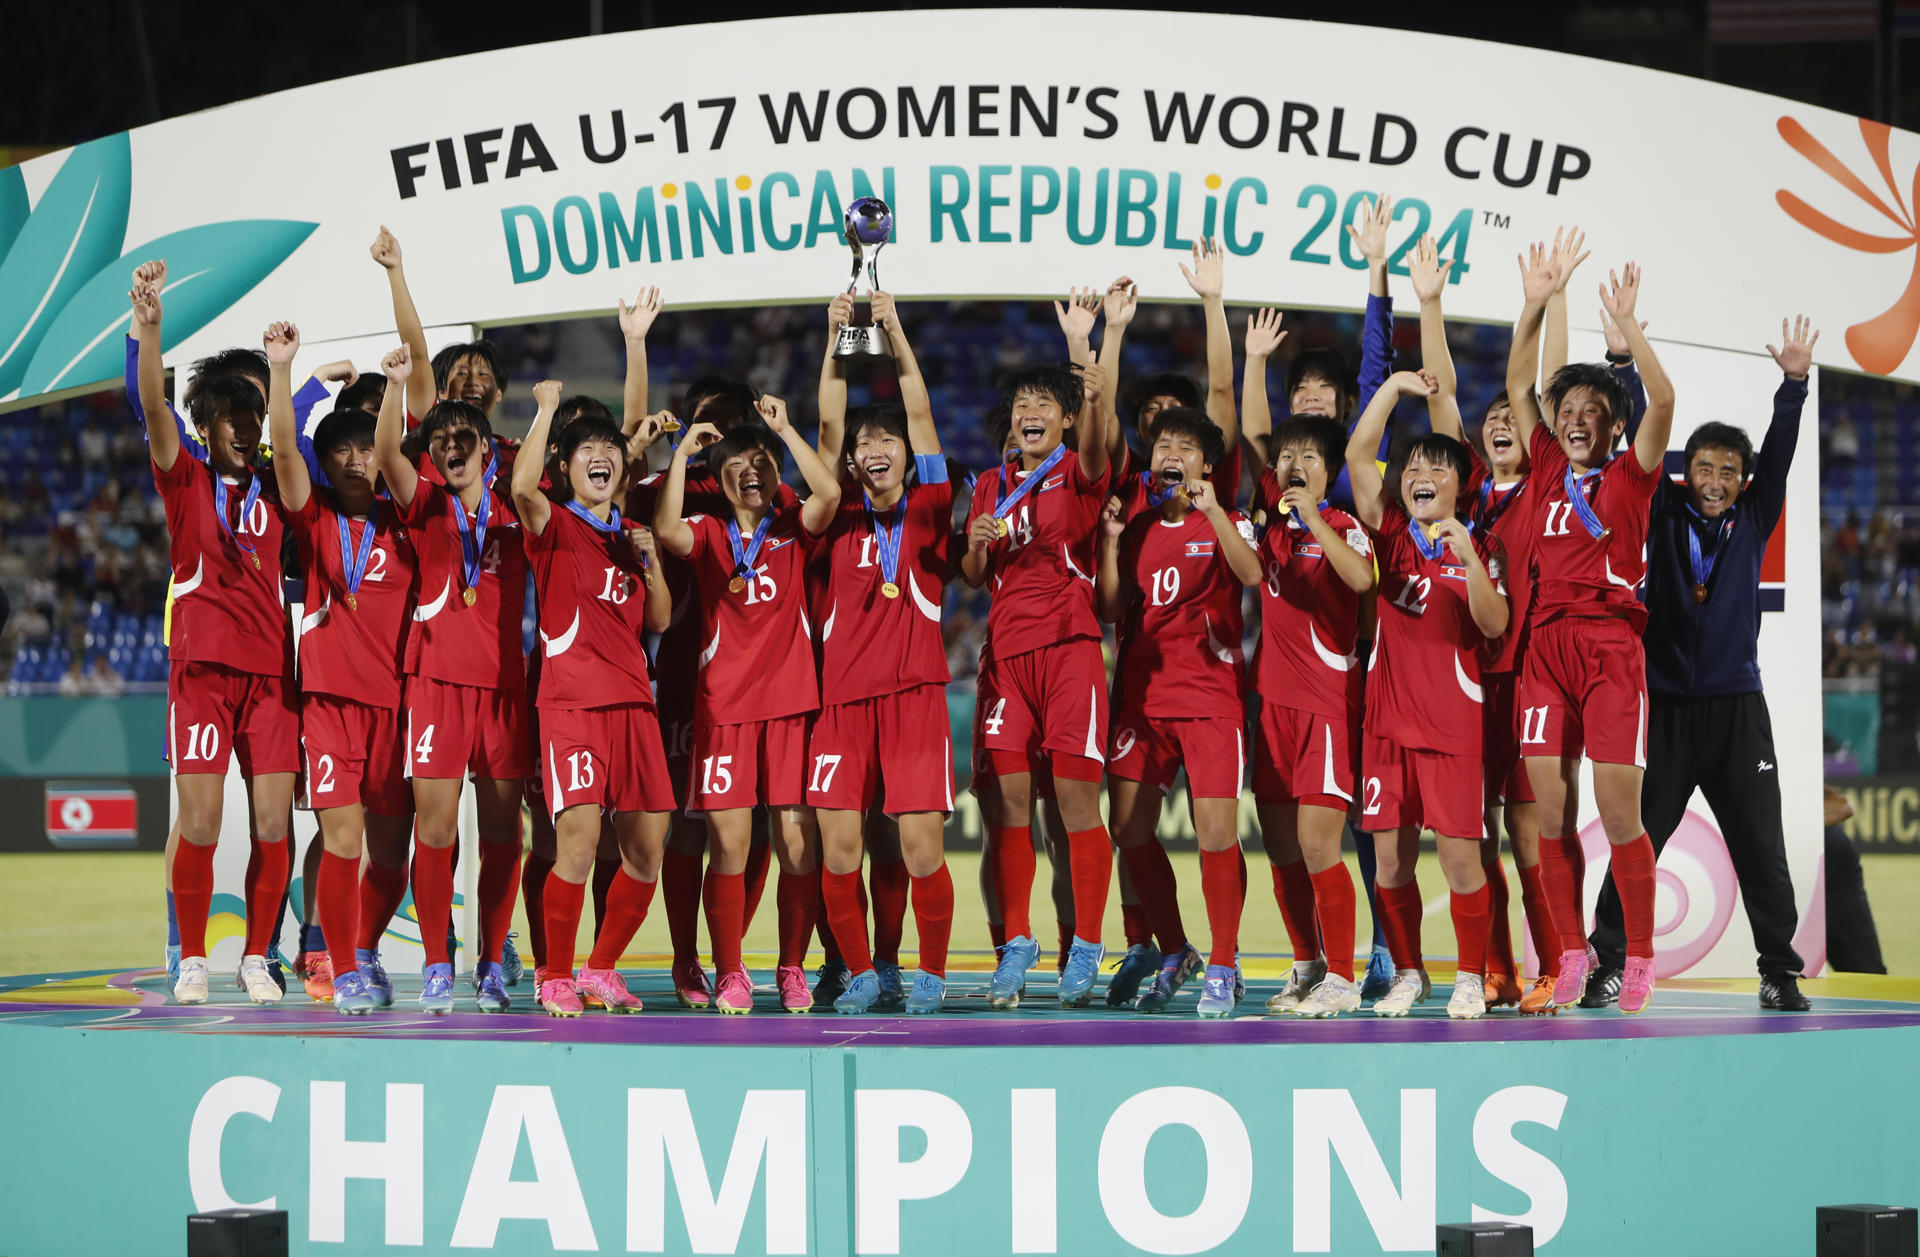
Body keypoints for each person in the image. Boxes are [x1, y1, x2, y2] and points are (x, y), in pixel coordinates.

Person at [1585, 316, 1819, 1011]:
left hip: (1737, 711)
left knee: (1761, 846)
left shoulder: (1755, 515)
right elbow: (1640, 440)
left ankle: (1779, 969)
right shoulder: (1661, 509)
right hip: (1665, 710)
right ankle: (1608, 961)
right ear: (1688, 474)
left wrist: (1795, 385)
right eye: (1705, 468)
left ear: (1744, 480)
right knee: (1637, 838)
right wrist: (1621, 360)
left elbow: (1779, 452)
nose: (1714, 479)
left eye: (1728, 471)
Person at [1505, 243, 1676, 1015]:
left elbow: (1664, 402)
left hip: (1610, 647)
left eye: (1589, 413)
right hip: (1545, 646)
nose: (1573, 420)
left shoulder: (1632, 476)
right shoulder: (1544, 466)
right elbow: (1520, 383)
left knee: (1618, 812)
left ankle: (1638, 955)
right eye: (1566, 411)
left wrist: (1630, 330)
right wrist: (1538, 301)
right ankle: (1570, 955)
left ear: (1612, 426)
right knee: (1548, 810)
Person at [131, 261, 297, 1007]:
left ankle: (258, 957)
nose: (245, 429)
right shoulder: (185, 478)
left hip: (272, 679)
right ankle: (191, 955)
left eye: (252, 417)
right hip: (201, 673)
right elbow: (153, 406)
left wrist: (284, 373)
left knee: (271, 822)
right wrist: (150, 328)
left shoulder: (276, 486)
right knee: (199, 819)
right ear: (206, 425)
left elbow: (292, 447)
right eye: (231, 417)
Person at [653, 397, 842, 1013]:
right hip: (725, 711)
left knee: (797, 847)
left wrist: (784, 431)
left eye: (761, 461)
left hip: (790, 709)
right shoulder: (708, 533)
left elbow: (830, 496)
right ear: (720, 473)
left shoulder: (791, 527)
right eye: (736, 462)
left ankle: (791, 968)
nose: (751, 470)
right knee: (729, 847)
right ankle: (730, 971)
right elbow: (665, 529)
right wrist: (683, 453)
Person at [961, 290, 1114, 1008]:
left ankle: (1086, 944)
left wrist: (1085, 343)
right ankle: (1016, 941)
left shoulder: (1078, 471)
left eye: (1045, 403)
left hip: (1071, 650)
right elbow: (972, 575)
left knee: (1078, 808)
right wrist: (974, 544)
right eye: (1023, 402)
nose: (1032, 411)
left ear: (1063, 418)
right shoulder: (990, 483)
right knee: (1009, 810)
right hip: (1006, 659)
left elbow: (1098, 424)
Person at [809, 290, 958, 1015]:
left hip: (914, 699)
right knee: (841, 851)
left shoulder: (930, 508)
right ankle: (864, 971)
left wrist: (892, 330)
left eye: (887, 441)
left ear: (907, 455)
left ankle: (927, 971)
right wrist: (836, 336)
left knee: (920, 849)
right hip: (841, 705)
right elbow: (829, 421)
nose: (874, 449)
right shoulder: (834, 514)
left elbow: (921, 413)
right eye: (867, 443)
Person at [263, 322, 417, 1016]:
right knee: (344, 840)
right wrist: (284, 368)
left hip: (396, 704)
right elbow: (285, 455)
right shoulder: (314, 516)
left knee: (393, 859)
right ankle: (344, 964)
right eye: (343, 451)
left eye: (366, 448)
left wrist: (399, 391)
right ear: (327, 461)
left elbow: (398, 445)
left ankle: (363, 948)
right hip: (328, 703)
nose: (358, 460)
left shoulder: (408, 520)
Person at [1347, 370, 1511, 1018]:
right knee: (1389, 862)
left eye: (1438, 468)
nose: (1422, 474)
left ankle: (1470, 974)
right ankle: (1409, 972)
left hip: (1451, 731)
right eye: (1415, 465)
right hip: (1386, 727)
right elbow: (1361, 455)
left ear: (1459, 485)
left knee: (1461, 864)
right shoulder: (1388, 534)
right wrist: (1393, 388)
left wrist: (1469, 558)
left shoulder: (1483, 545)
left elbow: (1494, 624)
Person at [512, 379, 676, 1015]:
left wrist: (653, 564)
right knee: (576, 845)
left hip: (635, 707)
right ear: (565, 465)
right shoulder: (551, 523)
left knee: (645, 851)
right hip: (573, 706)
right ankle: (554, 974)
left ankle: (601, 968)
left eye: (610, 447)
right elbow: (522, 487)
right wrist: (547, 411)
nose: (599, 456)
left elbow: (657, 620)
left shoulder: (631, 535)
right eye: (585, 450)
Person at [373, 345, 528, 1015]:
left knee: (502, 833)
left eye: (466, 437)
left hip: (503, 688)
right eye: (442, 439)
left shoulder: (521, 500)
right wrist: (394, 384)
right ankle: (438, 963)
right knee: (435, 832)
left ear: (488, 445)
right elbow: (386, 453)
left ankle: (491, 962)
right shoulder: (426, 499)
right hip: (434, 681)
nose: (453, 446)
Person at [1096, 408, 1262, 1016]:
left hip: (1210, 700)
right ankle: (1176, 948)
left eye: (1186, 447)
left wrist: (1216, 509)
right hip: (1141, 700)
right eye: (1163, 445)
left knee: (1216, 835)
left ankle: (1223, 961)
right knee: (1128, 829)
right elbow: (1110, 610)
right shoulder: (1136, 527)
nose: (1171, 454)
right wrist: (1112, 544)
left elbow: (1252, 571)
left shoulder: (1227, 520)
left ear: (1207, 464)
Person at [1243, 408, 1376, 1018]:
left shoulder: (1345, 528)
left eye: (1310, 460)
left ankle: (1344, 977)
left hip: (1325, 707)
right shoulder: (1271, 531)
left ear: (1329, 475)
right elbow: (1253, 439)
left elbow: (1359, 582)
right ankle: (1307, 964)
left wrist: (1313, 518)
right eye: (1287, 460)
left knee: (1319, 846)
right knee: (1282, 849)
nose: (1295, 468)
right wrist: (1258, 362)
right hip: (1271, 709)